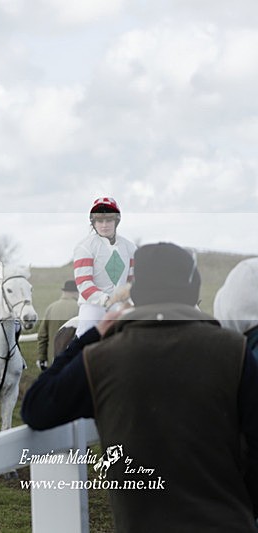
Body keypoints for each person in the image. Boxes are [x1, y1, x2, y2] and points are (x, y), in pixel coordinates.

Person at [21, 243, 258, 532]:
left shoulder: (101, 359)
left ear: (136, 293)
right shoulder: (234, 351)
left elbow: (37, 407)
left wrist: (94, 335)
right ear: (193, 288)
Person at [73, 197, 136, 336]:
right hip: (93, 305)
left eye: (109, 220)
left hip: (120, 304)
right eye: (100, 221)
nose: (104, 225)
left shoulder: (130, 247)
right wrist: (105, 300)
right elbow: (84, 283)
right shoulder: (84, 247)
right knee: (85, 333)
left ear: (116, 221)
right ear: (94, 223)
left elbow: (131, 281)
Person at [35, 280, 79, 370]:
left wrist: (42, 357)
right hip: (73, 361)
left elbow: (42, 336)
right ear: (76, 292)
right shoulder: (80, 308)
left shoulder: (51, 308)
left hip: (53, 360)